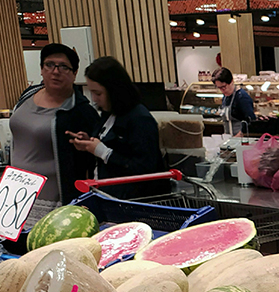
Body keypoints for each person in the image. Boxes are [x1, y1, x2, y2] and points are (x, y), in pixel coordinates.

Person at [68, 57, 169, 199]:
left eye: (98, 93)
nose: (94, 99)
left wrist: (104, 152)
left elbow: (145, 168)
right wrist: (89, 142)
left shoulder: (140, 119)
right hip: (106, 194)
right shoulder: (108, 113)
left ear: (114, 90)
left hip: (132, 200)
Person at [10, 43, 100, 202]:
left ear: (74, 73)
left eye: (64, 67)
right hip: (15, 188)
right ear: (41, 69)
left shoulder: (81, 111)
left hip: (52, 195)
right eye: (49, 65)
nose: (55, 71)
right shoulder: (28, 94)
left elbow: (91, 162)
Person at [213, 67, 255, 135]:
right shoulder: (225, 97)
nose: (222, 90)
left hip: (240, 141)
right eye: (219, 87)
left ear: (231, 81)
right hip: (228, 137)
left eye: (223, 87)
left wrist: (239, 136)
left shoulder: (242, 97)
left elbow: (251, 121)